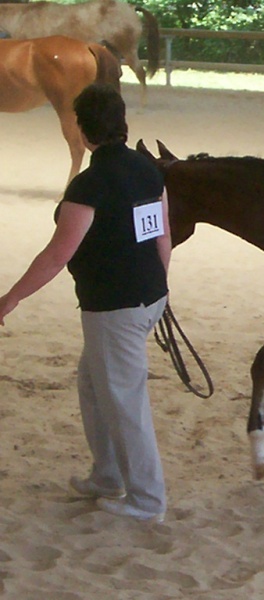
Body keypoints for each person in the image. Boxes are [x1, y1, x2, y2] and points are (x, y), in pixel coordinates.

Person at [0, 83, 171, 523]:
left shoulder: (89, 185)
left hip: (114, 306)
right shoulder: (148, 170)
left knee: (123, 399)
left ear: (82, 129)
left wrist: (10, 299)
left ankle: (146, 500)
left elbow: (59, 254)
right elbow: (160, 235)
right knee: (94, 385)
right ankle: (108, 474)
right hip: (144, 297)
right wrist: (155, 289)